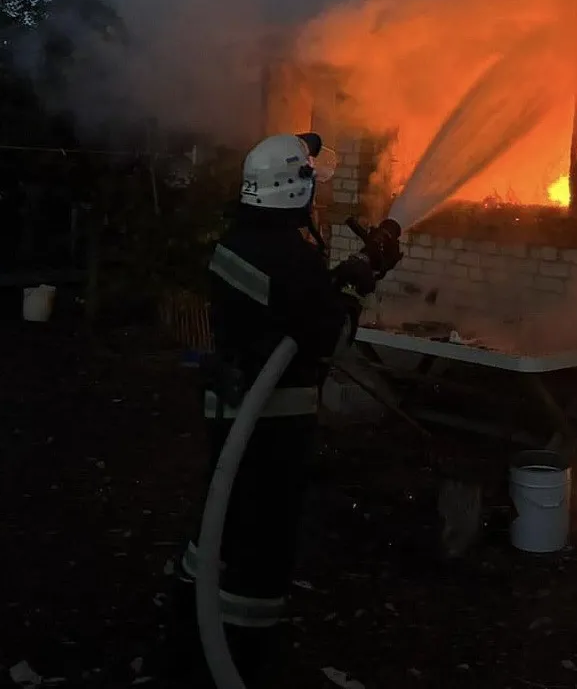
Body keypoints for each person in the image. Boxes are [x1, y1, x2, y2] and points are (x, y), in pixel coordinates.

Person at [167, 131, 402, 684]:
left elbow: (285, 308)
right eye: (309, 186)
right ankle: (242, 655)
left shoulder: (243, 238)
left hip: (230, 407)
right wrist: (360, 286)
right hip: (272, 421)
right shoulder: (289, 258)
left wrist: (337, 280)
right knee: (263, 541)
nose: (315, 198)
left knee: (220, 518)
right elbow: (327, 336)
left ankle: (187, 617)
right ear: (290, 190)